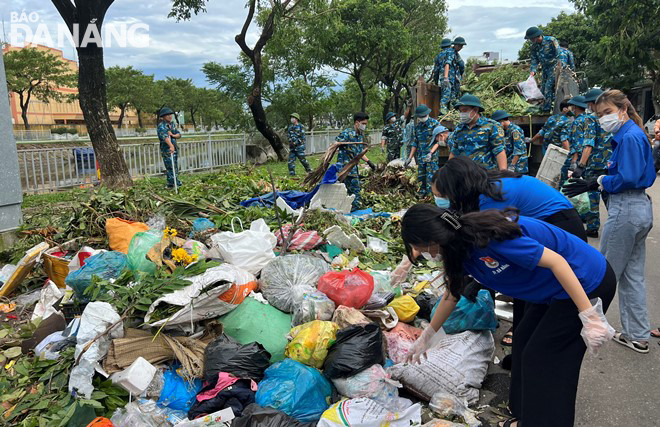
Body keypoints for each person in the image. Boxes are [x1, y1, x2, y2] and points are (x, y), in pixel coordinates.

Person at [402, 204, 616, 427]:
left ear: (434, 238)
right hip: (551, 289)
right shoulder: (456, 247)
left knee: (545, 358)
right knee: (523, 341)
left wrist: (589, 315)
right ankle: (526, 417)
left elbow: (558, 262)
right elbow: (451, 296)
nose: (421, 254)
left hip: (585, 282)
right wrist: (427, 336)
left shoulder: (488, 238)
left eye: (419, 248)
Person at [432, 156, 588, 347]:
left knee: (541, 294)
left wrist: (473, 280)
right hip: (549, 226)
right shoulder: (484, 186)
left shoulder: (491, 197)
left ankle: (536, 343)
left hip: (562, 227)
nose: (444, 201)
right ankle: (523, 341)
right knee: (526, 293)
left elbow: (486, 243)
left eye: (445, 196)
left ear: (457, 188)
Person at [564, 89, 656, 353]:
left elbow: (627, 176)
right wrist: (598, 180)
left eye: (607, 112)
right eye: (599, 114)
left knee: (601, 274)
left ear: (623, 109)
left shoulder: (628, 137)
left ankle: (585, 328)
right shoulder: (632, 134)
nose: (603, 118)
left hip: (626, 208)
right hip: (639, 208)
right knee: (632, 277)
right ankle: (637, 335)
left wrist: (601, 180)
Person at [574, 88, 613, 237]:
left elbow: (588, 144)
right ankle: (617, 223)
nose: (589, 107)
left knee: (592, 198)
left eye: (590, 104)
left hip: (595, 166)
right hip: (610, 165)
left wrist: (581, 165)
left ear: (594, 103)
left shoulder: (591, 118)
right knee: (610, 196)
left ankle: (592, 228)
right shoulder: (611, 116)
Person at [448, 94, 507, 170]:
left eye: (465, 110)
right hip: (464, 175)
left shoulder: (491, 126)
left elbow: (499, 151)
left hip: (485, 175)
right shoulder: (459, 129)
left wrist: (504, 173)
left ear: (475, 110)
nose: (462, 114)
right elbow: (454, 152)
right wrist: (448, 171)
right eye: (460, 111)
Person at [335, 112, 377, 212]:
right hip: (346, 167)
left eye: (366, 124)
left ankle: (345, 208)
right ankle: (354, 211)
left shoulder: (359, 135)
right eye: (363, 123)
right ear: (357, 123)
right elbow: (335, 143)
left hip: (353, 167)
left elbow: (359, 152)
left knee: (346, 190)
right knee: (355, 190)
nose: (364, 126)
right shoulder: (347, 133)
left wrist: (369, 162)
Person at [405, 104, 440, 198]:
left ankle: (432, 197)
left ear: (428, 114)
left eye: (423, 116)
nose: (422, 118)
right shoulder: (418, 127)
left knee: (431, 178)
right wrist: (410, 157)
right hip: (421, 157)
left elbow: (439, 142)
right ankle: (422, 196)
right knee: (421, 177)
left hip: (431, 157)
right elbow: (415, 143)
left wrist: (431, 153)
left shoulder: (435, 124)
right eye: (420, 117)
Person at [525, 27, 559, 112]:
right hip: (545, 69)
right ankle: (544, 107)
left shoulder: (551, 40)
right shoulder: (534, 47)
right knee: (543, 90)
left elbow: (559, 53)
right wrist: (533, 70)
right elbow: (534, 60)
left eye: (531, 38)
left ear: (536, 37)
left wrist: (560, 66)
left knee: (548, 88)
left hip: (554, 68)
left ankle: (546, 111)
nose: (531, 40)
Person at [157, 107, 182, 189]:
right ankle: (173, 184)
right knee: (170, 166)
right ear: (163, 116)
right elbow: (165, 137)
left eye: (170, 115)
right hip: (167, 150)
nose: (169, 116)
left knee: (174, 166)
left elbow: (178, 134)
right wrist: (171, 146)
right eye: (167, 115)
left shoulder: (172, 125)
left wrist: (173, 135)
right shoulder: (161, 126)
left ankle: (173, 182)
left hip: (174, 148)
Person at [440, 37, 466, 114]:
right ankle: (443, 111)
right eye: (460, 46)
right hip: (447, 78)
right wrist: (445, 77)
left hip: (453, 79)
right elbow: (447, 64)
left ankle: (452, 111)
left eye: (462, 46)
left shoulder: (456, 54)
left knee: (453, 96)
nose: (460, 48)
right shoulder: (450, 52)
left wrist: (460, 76)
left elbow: (461, 65)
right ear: (455, 45)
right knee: (446, 94)